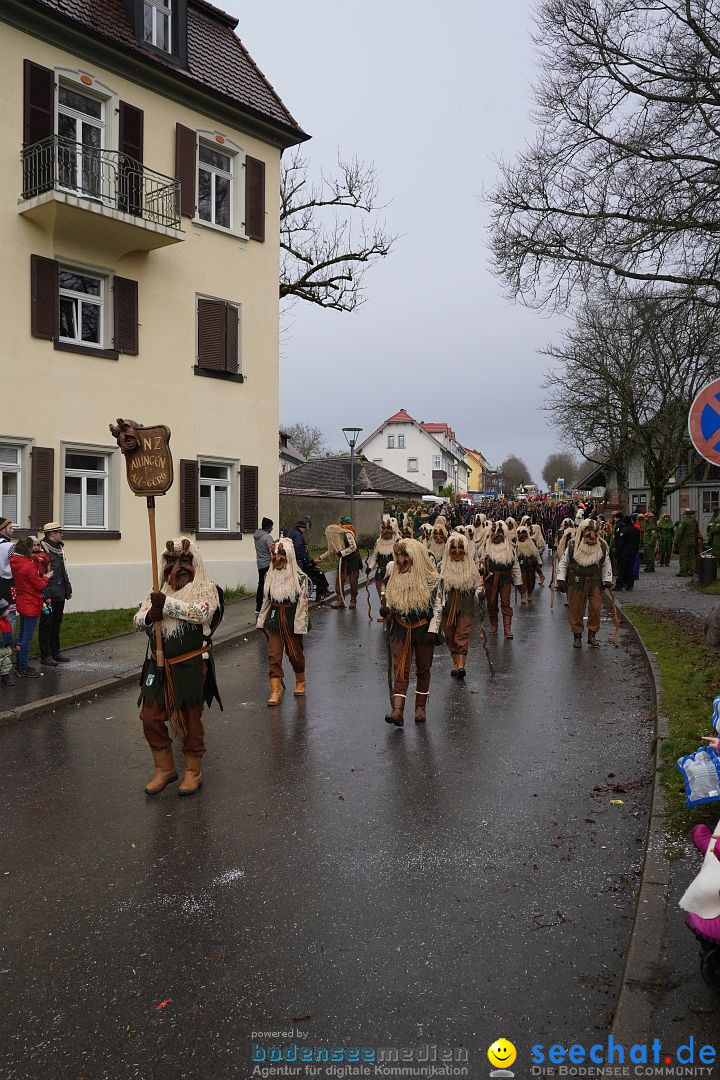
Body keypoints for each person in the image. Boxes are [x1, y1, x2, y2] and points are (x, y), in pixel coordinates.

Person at [134, 538, 221, 797]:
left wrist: (167, 605)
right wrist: (151, 615)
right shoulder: (158, 590)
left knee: (189, 719)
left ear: (196, 563)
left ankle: (193, 771)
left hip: (191, 665)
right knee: (149, 717)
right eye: (171, 561)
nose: (178, 567)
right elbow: (138, 620)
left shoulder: (207, 589)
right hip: (158, 666)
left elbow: (202, 613)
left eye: (185, 561)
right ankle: (165, 768)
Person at [380, 538, 443, 726]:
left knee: (423, 669)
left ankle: (420, 708)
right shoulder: (394, 574)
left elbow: (438, 607)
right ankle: (397, 710)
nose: (401, 561)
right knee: (400, 669)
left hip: (423, 629)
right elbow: (388, 596)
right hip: (400, 628)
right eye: (398, 556)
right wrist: (387, 610)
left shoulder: (432, 580)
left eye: (405, 556)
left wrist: (433, 630)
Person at [256, 537, 310, 705]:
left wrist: (300, 626)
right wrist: (261, 621)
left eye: (282, 555)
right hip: (275, 619)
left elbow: (303, 606)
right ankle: (275, 690)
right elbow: (266, 599)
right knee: (274, 655)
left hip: (292, 619)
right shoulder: (269, 576)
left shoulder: (300, 579)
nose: (277, 560)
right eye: (275, 555)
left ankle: (301, 681)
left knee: (295, 655)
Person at [556, 518, 613, 648]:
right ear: (582, 532)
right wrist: (560, 579)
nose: (592, 534)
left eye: (595, 531)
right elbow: (564, 562)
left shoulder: (602, 546)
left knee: (595, 608)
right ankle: (577, 636)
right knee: (575, 609)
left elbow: (606, 563)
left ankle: (592, 635)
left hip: (595, 582)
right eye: (589, 531)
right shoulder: (572, 545)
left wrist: (607, 579)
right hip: (576, 582)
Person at [439, 532, 484, 679]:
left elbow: (478, 585)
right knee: (450, 636)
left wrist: (479, 594)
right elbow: (437, 588)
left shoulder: (471, 567)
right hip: (448, 606)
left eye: (460, 548)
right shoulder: (442, 567)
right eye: (454, 548)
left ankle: (461, 665)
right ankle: (455, 662)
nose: (457, 551)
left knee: (462, 634)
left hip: (466, 605)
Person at [10, 536, 53, 678]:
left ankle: (18, 665)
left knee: (22, 635)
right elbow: (39, 585)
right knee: (27, 638)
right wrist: (46, 576)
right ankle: (23, 667)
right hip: (31, 603)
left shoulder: (16, 561)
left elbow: (37, 558)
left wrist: (39, 559)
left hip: (23, 601)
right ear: (28, 550)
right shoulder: (28, 566)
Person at [39, 522, 72, 666]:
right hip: (49, 593)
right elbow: (41, 574)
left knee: (56, 623)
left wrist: (68, 588)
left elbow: (63, 570)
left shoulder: (59, 548)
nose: (61, 534)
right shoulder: (42, 549)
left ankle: (55, 651)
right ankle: (45, 655)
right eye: (59, 532)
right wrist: (46, 595)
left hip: (60, 591)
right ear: (52, 534)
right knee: (46, 624)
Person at [483, 520, 522, 639]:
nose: (497, 534)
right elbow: (478, 563)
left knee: (506, 604)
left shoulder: (510, 547)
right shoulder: (486, 546)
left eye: (499, 532)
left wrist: (518, 581)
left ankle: (507, 628)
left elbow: (515, 565)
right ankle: (494, 625)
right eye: (494, 532)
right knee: (491, 603)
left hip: (505, 580)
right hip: (490, 579)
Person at [318, 518, 362, 609]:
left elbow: (353, 547)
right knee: (339, 581)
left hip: (353, 560)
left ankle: (353, 601)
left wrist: (342, 553)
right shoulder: (338, 535)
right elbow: (332, 551)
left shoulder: (348, 533)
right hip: (343, 560)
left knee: (353, 581)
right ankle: (340, 601)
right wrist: (320, 558)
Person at [367, 515, 399, 618]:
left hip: (394, 573)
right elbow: (374, 558)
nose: (385, 531)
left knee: (394, 594)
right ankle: (385, 611)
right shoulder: (378, 542)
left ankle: (394, 612)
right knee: (382, 594)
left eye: (388, 528)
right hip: (380, 572)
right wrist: (370, 567)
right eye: (384, 528)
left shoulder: (398, 541)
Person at [516, 524, 543, 604]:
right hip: (521, 566)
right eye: (520, 533)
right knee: (522, 580)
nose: (522, 535)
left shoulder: (532, 542)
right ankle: (523, 595)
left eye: (524, 533)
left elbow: (536, 553)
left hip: (531, 565)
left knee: (531, 580)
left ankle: (530, 593)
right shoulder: (516, 543)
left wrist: (536, 561)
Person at [253, 517, 274, 615]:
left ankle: (258, 607)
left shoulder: (257, 536)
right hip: (267, 564)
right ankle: (269, 606)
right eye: (271, 527)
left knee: (261, 585)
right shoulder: (267, 537)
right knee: (269, 586)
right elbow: (273, 551)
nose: (272, 529)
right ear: (268, 527)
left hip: (260, 564)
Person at [615, 515, 640, 590]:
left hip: (624, 553)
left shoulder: (624, 530)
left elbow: (621, 543)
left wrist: (617, 552)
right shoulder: (636, 530)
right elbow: (638, 542)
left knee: (621, 568)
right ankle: (630, 585)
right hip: (633, 552)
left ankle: (619, 585)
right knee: (630, 568)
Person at [0, 516, 15, 626]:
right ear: (3, 529)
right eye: (10, 528)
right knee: (10, 615)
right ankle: (9, 642)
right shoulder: (10, 547)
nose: (12, 530)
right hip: (8, 585)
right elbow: (16, 566)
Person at [675, 508, 700, 577]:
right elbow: (697, 531)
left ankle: (683, 572)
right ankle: (691, 571)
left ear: (685, 514)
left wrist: (676, 542)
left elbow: (679, 533)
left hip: (684, 541)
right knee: (691, 557)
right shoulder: (694, 521)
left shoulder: (683, 521)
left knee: (683, 556)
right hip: (692, 540)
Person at [0, 598, 14, 686]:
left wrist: (15, 643)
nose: (9, 611)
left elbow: (12, 634)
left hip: (6, 648)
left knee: (6, 663)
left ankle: (5, 677)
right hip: (1, 647)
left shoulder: (8, 622)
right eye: (7, 609)